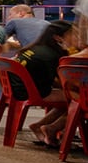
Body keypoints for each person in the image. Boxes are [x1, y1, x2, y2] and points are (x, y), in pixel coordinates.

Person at [15, 20, 77, 148]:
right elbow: (60, 81)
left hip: (18, 88)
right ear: (58, 37)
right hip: (31, 92)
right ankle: (52, 128)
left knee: (73, 98)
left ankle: (40, 126)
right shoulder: (52, 55)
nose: (75, 37)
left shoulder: (36, 48)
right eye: (72, 34)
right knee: (80, 101)